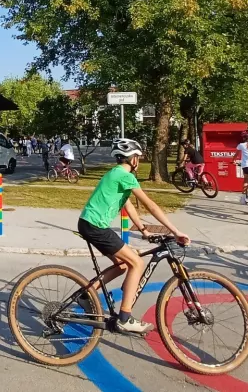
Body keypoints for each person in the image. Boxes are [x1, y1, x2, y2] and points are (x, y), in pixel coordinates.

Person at [77, 138, 190, 333]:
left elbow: (127, 205)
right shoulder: (125, 175)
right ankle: (125, 318)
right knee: (136, 263)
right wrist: (176, 231)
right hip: (95, 226)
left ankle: (86, 296)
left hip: (90, 224)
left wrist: (144, 230)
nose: (139, 160)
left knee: (122, 265)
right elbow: (150, 205)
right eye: (138, 157)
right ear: (133, 159)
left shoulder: (116, 174)